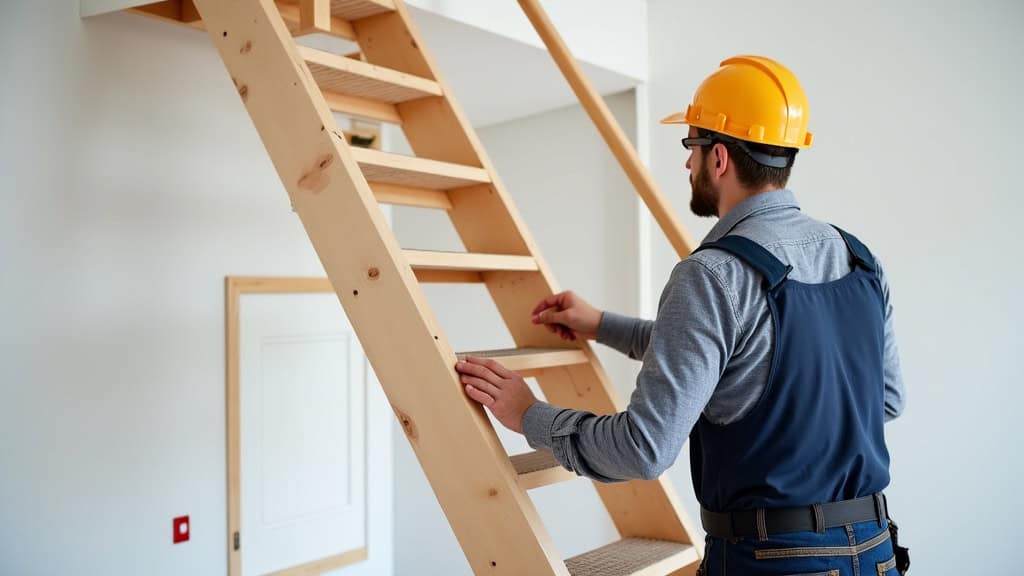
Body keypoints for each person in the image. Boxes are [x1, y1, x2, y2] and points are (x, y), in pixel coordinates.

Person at [454, 55, 908, 575]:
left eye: (689, 148)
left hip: (770, 562)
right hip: (874, 552)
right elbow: (883, 399)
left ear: (718, 158)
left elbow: (643, 448)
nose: (686, 165)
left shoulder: (713, 274)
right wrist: (602, 324)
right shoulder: (859, 259)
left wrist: (528, 415)